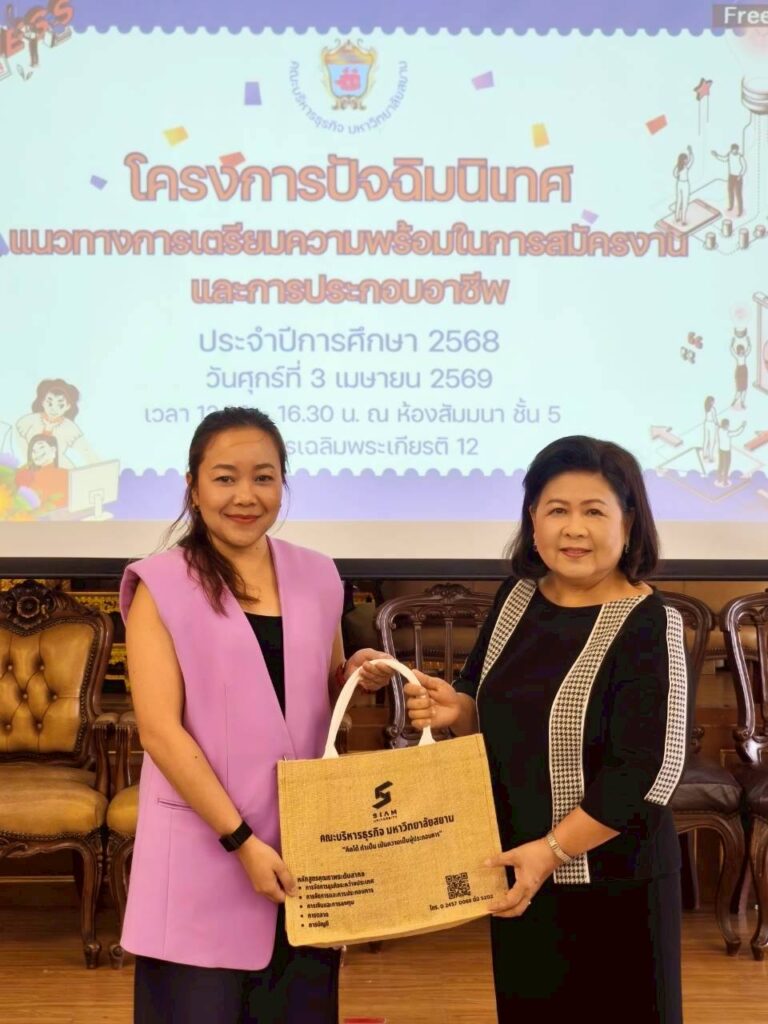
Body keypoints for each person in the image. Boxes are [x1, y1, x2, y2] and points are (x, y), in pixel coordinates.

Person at [401, 436, 689, 1023]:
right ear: (533, 519)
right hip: (519, 872)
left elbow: (645, 772)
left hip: (616, 886)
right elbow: (485, 700)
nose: (573, 529)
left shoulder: (651, 623)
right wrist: (456, 709)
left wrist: (552, 851)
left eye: (594, 511)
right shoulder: (517, 599)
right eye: (557, 509)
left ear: (630, 522)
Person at [120, 406, 389, 1024]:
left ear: (282, 483)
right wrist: (241, 841)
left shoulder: (318, 573)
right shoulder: (161, 585)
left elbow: (318, 686)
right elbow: (160, 731)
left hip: (305, 850)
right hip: (203, 849)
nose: (245, 496)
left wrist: (356, 671)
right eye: (225, 478)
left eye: (263, 477)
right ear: (193, 487)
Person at [15, 378, 97, 468]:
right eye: (50, 403)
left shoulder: (69, 427)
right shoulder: (28, 421)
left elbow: (87, 452)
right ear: (42, 402)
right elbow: (18, 444)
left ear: (68, 406)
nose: (54, 409)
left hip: (59, 468)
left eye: (60, 405)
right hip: (32, 468)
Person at [711, 143, 746, 217]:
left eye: (735, 150)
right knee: (730, 192)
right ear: (731, 149)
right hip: (731, 176)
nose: (734, 151)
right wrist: (716, 155)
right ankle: (731, 206)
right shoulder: (729, 154)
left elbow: (744, 167)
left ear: (738, 150)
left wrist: (740, 175)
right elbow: (724, 159)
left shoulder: (740, 157)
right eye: (733, 150)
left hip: (738, 177)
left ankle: (740, 211)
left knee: (738, 194)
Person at [715, 418, 746, 487]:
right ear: (726, 425)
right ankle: (725, 482)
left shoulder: (719, 430)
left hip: (720, 450)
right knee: (726, 466)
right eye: (728, 425)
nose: (729, 426)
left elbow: (718, 425)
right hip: (726, 451)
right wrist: (742, 426)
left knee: (720, 465)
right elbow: (736, 433)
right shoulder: (727, 433)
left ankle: (719, 479)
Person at [730, 328, 752, 409]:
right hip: (739, 371)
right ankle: (735, 400)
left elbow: (749, 348)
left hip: (744, 371)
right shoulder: (737, 356)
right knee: (739, 389)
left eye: (743, 351)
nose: (742, 352)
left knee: (744, 388)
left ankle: (742, 402)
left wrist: (748, 341)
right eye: (741, 351)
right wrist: (732, 342)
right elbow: (731, 349)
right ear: (738, 352)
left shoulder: (744, 355)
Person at [672, 146, 693, 225]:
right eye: (686, 159)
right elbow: (674, 174)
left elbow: (675, 174)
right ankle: (681, 219)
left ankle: (679, 218)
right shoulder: (683, 167)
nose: (687, 160)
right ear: (683, 160)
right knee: (683, 202)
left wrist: (690, 152)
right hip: (683, 184)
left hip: (680, 183)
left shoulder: (680, 167)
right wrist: (690, 152)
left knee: (680, 201)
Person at [701, 395, 718, 463]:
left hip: (706, 423)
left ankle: (704, 454)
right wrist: (717, 424)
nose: (714, 402)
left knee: (706, 440)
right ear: (711, 402)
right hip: (711, 424)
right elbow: (714, 419)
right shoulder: (713, 409)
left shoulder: (706, 408)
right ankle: (711, 457)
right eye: (713, 401)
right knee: (712, 441)